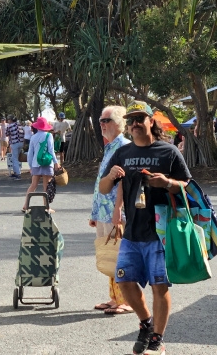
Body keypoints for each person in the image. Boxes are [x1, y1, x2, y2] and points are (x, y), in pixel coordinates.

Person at [98, 101, 191, 355]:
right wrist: (110, 177)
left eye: (141, 118)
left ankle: (157, 339)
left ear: (152, 121)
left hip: (160, 232)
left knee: (159, 286)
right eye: (132, 120)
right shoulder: (122, 154)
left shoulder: (168, 151)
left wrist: (168, 183)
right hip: (132, 231)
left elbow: (188, 185)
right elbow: (104, 188)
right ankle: (147, 323)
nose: (136, 123)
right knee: (125, 282)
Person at [90, 105, 132, 315]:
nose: (101, 125)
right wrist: (95, 213)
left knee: (120, 255)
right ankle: (115, 297)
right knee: (109, 254)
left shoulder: (124, 147)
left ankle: (126, 299)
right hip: (104, 212)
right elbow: (102, 182)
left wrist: (119, 210)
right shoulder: (110, 147)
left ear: (118, 123)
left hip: (116, 212)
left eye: (106, 121)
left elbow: (125, 183)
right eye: (100, 120)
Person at [25, 117, 59, 205]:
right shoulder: (49, 135)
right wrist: (56, 162)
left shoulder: (33, 137)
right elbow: (51, 150)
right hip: (47, 163)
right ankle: (46, 207)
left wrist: (30, 166)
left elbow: (30, 153)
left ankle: (25, 205)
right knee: (46, 187)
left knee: (33, 185)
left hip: (36, 164)